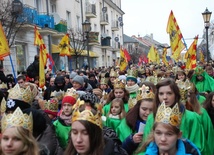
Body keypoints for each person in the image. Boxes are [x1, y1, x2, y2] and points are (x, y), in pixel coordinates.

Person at [142, 78, 207, 154]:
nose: (165, 97)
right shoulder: (151, 117)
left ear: (176, 95)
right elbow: (146, 145)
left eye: (169, 93)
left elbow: (198, 146)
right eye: (161, 94)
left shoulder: (191, 117)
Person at [116, 85, 155, 155]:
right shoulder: (126, 123)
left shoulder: (157, 123)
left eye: (151, 110)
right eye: (144, 109)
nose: (148, 113)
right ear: (138, 108)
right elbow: (118, 148)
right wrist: (130, 141)